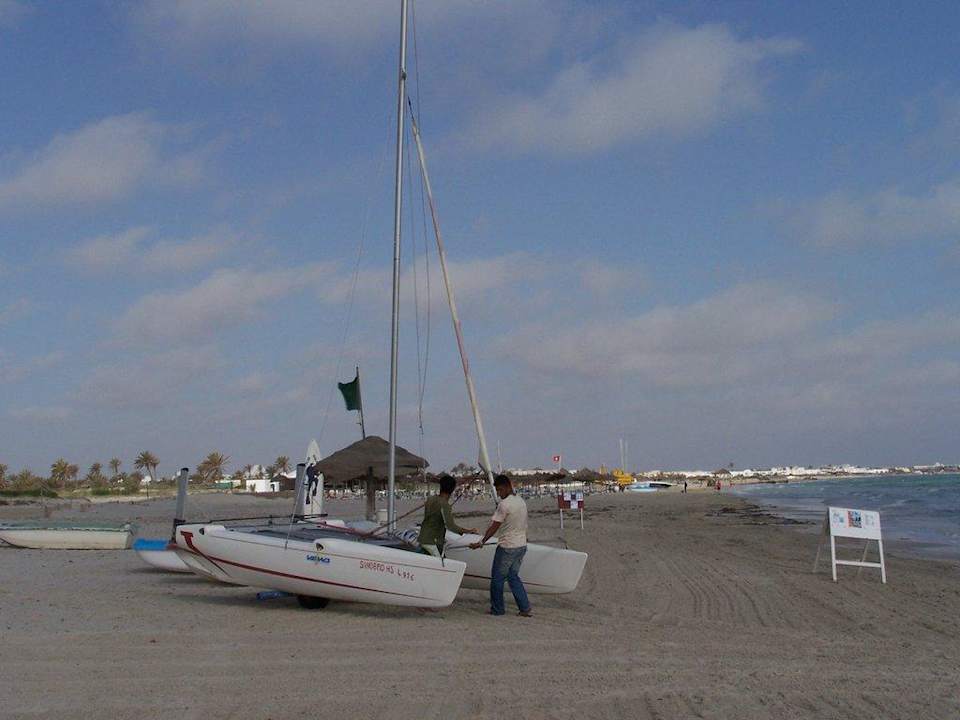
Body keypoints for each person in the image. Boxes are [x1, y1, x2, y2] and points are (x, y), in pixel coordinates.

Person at [470, 474, 532, 617]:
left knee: (497, 579)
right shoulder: (521, 501)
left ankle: (497, 609)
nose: (498, 493)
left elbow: (494, 527)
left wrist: (481, 542)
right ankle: (525, 608)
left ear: (506, 487)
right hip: (521, 545)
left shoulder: (504, 505)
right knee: (513, 576)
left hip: (507, 547)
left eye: (499, 490)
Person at [417, 475, 476, 557]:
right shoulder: (445, 505)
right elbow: (450, 526)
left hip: (423, 538)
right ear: (452, 489)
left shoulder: (431, 499)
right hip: (433, 542)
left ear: (441, 486)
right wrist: (468, 531)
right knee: (441, 566)